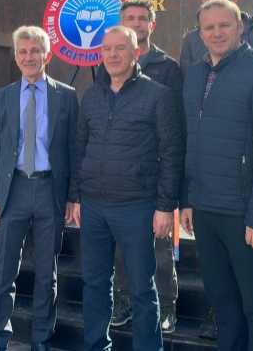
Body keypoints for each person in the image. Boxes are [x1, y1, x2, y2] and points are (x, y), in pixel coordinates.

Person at [180, 0, 253, 351]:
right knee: (224, 304)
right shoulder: (195, 74)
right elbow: (190, 141)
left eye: (223, 25)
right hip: (206, 210)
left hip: (245, 214)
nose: (216, 33)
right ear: (200, 32)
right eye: (208, 27)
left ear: (240, 27)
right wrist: (187, 200)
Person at [72, 26, 183, 351]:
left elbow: (171, 153)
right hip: (93, 207)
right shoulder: (91, 95)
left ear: (136, 53)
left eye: (121, 48)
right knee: (94, 284)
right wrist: (75, 196)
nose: (113, 55)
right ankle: (96, 345)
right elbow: (80, 148)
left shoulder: (158, 95)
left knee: (141, 289)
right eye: (107, 49)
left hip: (136, 208)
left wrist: (165, 206)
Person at [0, 26, 79, 351]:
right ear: (16, 55)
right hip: (13, 192)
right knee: (4, 270)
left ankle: (41, 340)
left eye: (34, 51)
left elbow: (74, 150)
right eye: (22, 51)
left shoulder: (66, 96)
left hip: (50, 191)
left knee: (45, 275)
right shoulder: (2, 98)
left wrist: (73, 197)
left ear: (46, 55)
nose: (28, 57)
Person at [103, 0, 182, 334]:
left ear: (151, 24)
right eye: (129, 18)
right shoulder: (107, 63)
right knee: (121, 245)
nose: (136, 23)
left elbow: (175, 127)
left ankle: (166, 306)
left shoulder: (168, 67)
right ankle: (122, 300)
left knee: (160, 246)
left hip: (156, 172)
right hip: (121, 173)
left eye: (141, 18)